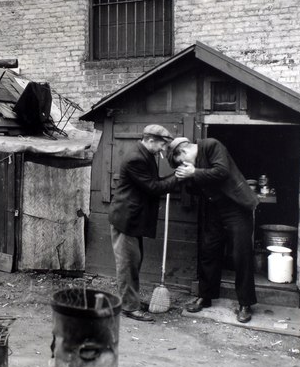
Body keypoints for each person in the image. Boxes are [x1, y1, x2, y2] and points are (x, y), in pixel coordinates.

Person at [166, 136, 259, 323]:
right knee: (208, 251)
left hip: (237, 208)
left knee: (241, 255)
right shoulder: (193, 167)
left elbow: (222, 171)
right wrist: (185, 180)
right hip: (214, 210)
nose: (185, 165)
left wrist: (193, 173)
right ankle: (205, 296)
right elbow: (197, 187)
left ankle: (245, 303)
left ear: (184, 152)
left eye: (183, 162)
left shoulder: (211, 145)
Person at [108, 125, 179, 322]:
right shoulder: (136, 158)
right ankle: (129, 308)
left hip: (133, 219)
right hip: (126, 220)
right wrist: (178, 177)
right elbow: (153, 187)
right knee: (127, 264)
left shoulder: (145, 155)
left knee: (134, 261)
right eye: (161, 145)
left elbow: (153, 183)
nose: (163, 149)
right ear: (149, 140)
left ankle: (132, 301)